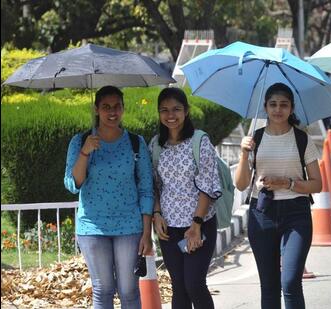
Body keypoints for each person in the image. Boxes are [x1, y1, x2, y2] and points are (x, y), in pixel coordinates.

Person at [64, 85, 154, 309]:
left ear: (123, 109)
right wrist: (85, 152)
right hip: (93, 226)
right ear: (96, 109)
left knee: (129, 291)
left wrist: (146, 232)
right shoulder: (80, 141)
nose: (112, 112)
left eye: (117, 107)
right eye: (106, 107)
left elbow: (146, 189)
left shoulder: (136, 143)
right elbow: (73, 184)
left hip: (129, 226)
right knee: (102, 291)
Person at [235, 83, 322, 309]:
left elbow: (317, 184)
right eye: (273, 104)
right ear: (265, 107)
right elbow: (241, 183)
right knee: (269, 285)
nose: (278, 109)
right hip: (262, 213)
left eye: (284, 105)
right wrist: (244, 155)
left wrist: (288, 183)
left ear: (291, 108)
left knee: (290, 281)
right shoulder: (255, 140)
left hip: (296, 214)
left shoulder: (302, 139)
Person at [150, 87, 221, 309]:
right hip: (168, 228)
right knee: (178, 286)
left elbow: (207, 185)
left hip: (199, 224)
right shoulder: (155, 145)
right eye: (164, 110)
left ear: (186, 111)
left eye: (176, 109)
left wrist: (196, 224)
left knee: (194, 284)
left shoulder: (200, 141)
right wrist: (157, 214)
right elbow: (153, 185)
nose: (170, 115)